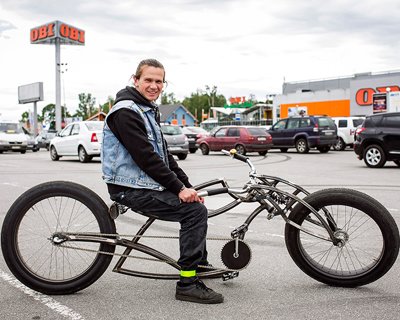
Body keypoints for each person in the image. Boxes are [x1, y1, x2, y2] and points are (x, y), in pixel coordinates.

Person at [101, 58, 224, 304]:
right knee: (194, 213)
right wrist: (178, 189)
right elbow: (146, 159)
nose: (154, 86)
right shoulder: (126, 111)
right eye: (148, 80)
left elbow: (165, 156)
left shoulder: (146, 109)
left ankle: (198, 264)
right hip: (130, 187)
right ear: (135, 80)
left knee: (194, 203)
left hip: (145, 183)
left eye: (159, 81)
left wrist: (188, 187)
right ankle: (188, 283)